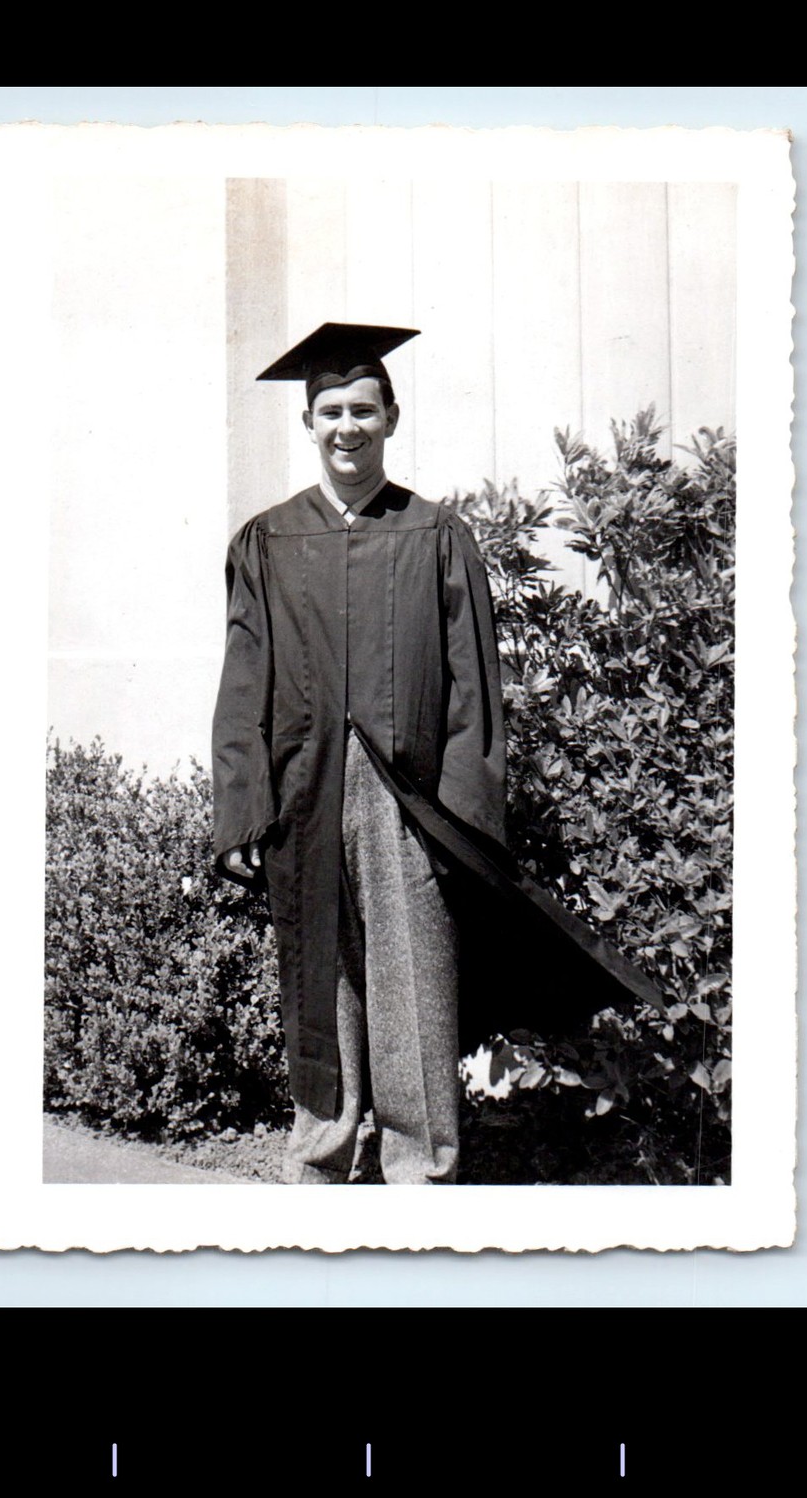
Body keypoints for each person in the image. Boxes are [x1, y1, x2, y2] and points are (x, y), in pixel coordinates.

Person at [211, 322, 504, 1184]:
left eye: (363, 410)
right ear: (309, 422)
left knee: (415, 983)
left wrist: (460, 820)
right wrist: (241, 803)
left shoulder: (437, 535)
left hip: (407, 800)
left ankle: (421, 1172)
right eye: (331, 410)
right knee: (319, 973)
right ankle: (322, 1158)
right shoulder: (266, 541)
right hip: (302, 793)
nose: (348, 427)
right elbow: (243, 682)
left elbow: (472, 692)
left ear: (392, 417)